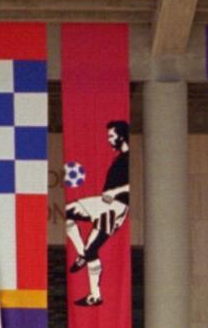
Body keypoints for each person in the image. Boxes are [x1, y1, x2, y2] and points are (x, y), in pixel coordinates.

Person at [64, 121, 130, 307]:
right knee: (67, 214)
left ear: (121, 136)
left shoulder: (129, 158)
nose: (109, 140)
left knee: (92, 249)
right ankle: (81, 254)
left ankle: (95, 295)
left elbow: (134, 183)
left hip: (115, 207)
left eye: (111, 136)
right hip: (103, 204)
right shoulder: (120, 158)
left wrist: (115, 192)